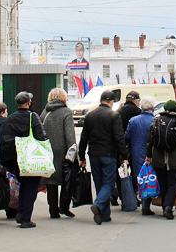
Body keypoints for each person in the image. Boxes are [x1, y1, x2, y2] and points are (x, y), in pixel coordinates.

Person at [77, 89, 128, 225]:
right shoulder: (113, 115)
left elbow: (84, 137)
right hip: (109, 154)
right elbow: (119, 137)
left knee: (99, 184)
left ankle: (104, 215)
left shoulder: (90, 115)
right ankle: (98, 204)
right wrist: (124, 155)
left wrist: (81, 156)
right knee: (109, 184)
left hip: (93, 154)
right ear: (111, 102)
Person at [0, 91, 47, 228]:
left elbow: (5, 140)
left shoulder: (11, 119)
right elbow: (42, 137)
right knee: (31, 187)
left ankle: (20, 213)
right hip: (32, 157)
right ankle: (26, 218)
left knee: (22, 185)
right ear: (29, 103)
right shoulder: (33, 117)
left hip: (16, 158)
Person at [41, 88, 77, 219]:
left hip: (47, 150)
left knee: (51, 180)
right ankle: (64, 207)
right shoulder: (66, 112)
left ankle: (53, 210)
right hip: (62, 151)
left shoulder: (45, 112)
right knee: (66, 179)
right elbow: (69, 134)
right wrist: (73, 151)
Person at [124, 99, 155, 215]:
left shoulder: (133, 120)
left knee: (138, 176)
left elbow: (126, 137)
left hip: (136, 152)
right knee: (150, 177)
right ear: (152, 108)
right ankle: (146, 205)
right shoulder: (155, 121)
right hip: (151, 154)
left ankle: (137, 197)